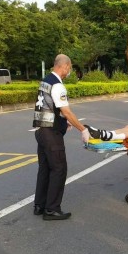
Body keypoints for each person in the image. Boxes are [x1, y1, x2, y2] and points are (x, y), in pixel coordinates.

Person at [33, 54, 91, 221]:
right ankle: (52, 209)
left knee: (45, 169)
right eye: (70, 67)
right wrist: (82, 129)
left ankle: (40, 205)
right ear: (65, 66)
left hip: (41, 131)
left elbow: (49, 107)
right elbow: (66, 110)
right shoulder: (58, 85)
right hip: (51, 134)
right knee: (59, 169)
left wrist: (62, 121)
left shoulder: (45, 81)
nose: (69, 71)